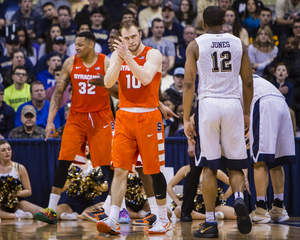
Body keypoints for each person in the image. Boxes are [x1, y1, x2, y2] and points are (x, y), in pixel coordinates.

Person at [183, 6, 253, 238]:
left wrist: (186, 118)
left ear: (203, 23)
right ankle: (240, 199)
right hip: (233, 104)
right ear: (225, 21)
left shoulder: (195, 45)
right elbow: (248, 82)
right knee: (234, 164)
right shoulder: (238, 43)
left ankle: (211, 223)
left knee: (210, 167)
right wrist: (246, 114)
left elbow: (189, 84)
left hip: (209, 105)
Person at [97, 19, 172, 235]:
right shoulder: (117, 55)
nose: (130, 41)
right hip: (124, 117)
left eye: (133, 36)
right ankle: (113, 218)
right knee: (120, 169)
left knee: (153, 170)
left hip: (148, 117)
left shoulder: (153, 54)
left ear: (140, 34)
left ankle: (162, 217)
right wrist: (119, 59)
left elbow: (146, 78)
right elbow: (109, 83)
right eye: (125, 38)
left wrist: (127, 57)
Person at [34, 31, 117, 224]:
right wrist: (50, 121)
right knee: (63, 160)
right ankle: (51, 210)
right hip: (76, 117)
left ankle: (114, 209)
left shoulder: (106, 62)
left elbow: (120, 90)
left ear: (91, 45)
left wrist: (105, 83)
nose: (76, 47)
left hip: (101, 117)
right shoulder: (70, 62)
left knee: (109, 165)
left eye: (80, 44)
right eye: (75, 44)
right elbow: (58, 92)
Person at [245, 75, 295, 223]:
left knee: (259, 160)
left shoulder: (233, 77)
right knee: (276, 161)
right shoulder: (256, 77)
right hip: (281, 103)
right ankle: (279, 208)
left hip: (263, 103)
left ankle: (261, 210)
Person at [168, 165, 236, 220]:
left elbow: (233, 184)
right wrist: (177, 201)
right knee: (178, 211)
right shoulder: (185, 169)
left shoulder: (212, 170)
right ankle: (210, 217)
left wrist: (224, 197)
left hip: (211, 205)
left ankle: (209, 215)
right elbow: (169, 186)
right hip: (191, 205)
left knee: (236, 214)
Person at [0, 140, 43, 219]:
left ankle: (49, 215)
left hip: (17, 202)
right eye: (3, 150)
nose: (7, 152)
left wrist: (14, 193)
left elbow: (28, 191)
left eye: (9, 149)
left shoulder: (19, 168)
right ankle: (18, 216)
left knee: (41, 211)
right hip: (1, 204)